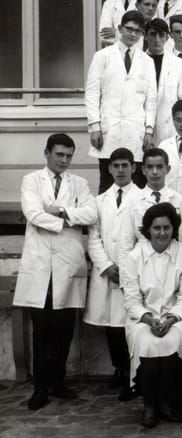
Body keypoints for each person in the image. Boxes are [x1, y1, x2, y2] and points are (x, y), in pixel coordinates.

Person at [14, 133, 97, 410]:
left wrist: (60, 211)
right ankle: (41, 387)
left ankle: (58, 382)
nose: (64, 160)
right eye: (59, 154)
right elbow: (33, 214)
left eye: (69, 156)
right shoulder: (31, 181)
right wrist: (70, 220)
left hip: (67, 264)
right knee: (42, 329)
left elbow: (91, 214)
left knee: (64, 329)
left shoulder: (79, 183)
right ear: (47, 153)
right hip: (41, 266)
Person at [121, 202, 182, 428]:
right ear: (148, 230)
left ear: (174, 228)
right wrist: (149, 319)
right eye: (156, 228)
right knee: (147, 342)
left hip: (177, 317)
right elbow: (131, 301)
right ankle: (149, 405)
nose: (162, 233)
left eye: (167, 227)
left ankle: (166, 402)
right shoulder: (133, 257)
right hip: (143, 318)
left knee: (174, 341)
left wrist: (171, 319)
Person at [85, 147, 141, 401]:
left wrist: (128, 269)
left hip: (131, 271)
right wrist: (106, 266)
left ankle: (133, 374)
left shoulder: (141, 198)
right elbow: (93, 238)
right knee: (111, 325)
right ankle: (119, 368)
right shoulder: (99, 201)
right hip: (108, 271)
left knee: (129, 323)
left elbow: (143, 239)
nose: (120, 170)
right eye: (116, 166)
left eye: (125, 165)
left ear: (133, 168)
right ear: (109, 168)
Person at [86, 10, 155, 193]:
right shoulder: (102, 56)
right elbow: (92, 92)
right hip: (109, 130)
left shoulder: (147, 61)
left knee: (136, 185)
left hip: (135, 131)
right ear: (119, 28)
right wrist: (94, 126)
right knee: (108, 183)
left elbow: (151, 99)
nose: (133, 34)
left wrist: (149, 130)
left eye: (137, 31)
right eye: (129, 29)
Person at [119, 147, 182, 265]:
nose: (155, 172)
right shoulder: (132, 200)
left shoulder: (179, 200)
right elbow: (126, 242)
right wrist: (125, 272)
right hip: (142, 261)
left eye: (159, 167)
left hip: (172, 261)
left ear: (168, 169)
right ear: (143, 170)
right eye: (150, 167)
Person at [146, 19, 182, 144]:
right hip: (141, 128)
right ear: (145, 36)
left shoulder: (178, 64)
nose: (157, 40)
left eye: (161, 35)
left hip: (168, 128)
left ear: (167, 37)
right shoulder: (137, 62)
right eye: (153, 34)